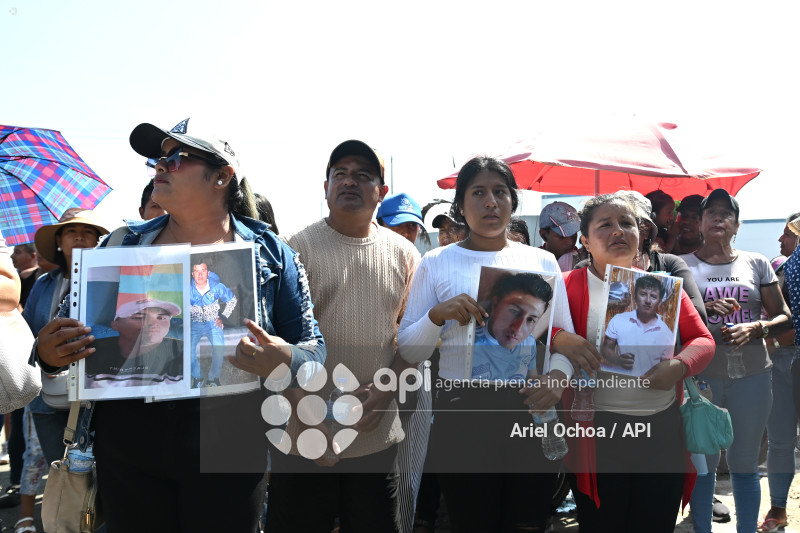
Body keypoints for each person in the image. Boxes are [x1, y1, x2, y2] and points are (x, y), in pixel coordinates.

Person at [34, 119, 326, 533]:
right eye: (158, 158)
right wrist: (50, 354)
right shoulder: (118, 244)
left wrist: (284, 358)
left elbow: (313, 353)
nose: (160, 166)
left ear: (222, 176)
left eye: (176, 158)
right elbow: (62, 343)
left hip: (230, 445)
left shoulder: (272, 255)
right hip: (129, 446)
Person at [397, 156, 593, 532]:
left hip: (530, 411)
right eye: (478, 193)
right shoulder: (435, 262)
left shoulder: (542, 261)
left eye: (500, 192)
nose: (491, 202)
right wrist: (435, 317)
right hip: (462, 416)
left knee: (528, 522)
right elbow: (408, 349)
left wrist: (556, 380)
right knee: (473, 521)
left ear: (512, 202)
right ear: (460, 205)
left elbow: (561, 339)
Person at [266, 140, 419, 532]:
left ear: (381, 192)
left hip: (374, 434)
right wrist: (306, 414)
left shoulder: (405, 255)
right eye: (341, 174)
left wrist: (386, 389)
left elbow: (412, 340)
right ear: (326, 186)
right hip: (301, 435)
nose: (350, 181)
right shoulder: (293, 249)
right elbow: (274, 346)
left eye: (363, 175)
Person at [561, 192, 714, 533]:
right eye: (605, 224)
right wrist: (560, 338)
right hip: (598, 435)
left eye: (626, 223)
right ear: (584, 241)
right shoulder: (566, 286)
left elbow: (703, 341)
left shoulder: (663, 289)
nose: (618, 231)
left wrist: (680, 366)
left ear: (641, 234)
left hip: (661, 432)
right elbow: (537, 334)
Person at [680, 189, 793, 533]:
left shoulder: (756, 263)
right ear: (700, 222)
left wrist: (757, 328)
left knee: (745, 463)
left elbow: (784, 317)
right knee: (704, 463)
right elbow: (670, 321)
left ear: (737, 225)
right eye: (711, 213)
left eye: (726, 213)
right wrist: (703, 310)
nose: (719, 218)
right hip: (702, 380)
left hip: (754, 377)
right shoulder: (682, 265)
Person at [15, 209, 107, 533]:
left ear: (99, 240)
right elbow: (26, 332)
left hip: (98, 398)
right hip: (47, 396)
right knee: (67, 476)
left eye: (88, 231)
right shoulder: (43, 284)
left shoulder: (111, 278)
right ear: (58, 241)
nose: (79, 236)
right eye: (70, 231)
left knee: (105, 480)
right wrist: (45, 353)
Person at [758, 212, 800, 532]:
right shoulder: (783, 268)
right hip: (780, 360)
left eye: (788, 233)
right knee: (780, 440)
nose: (781, 239)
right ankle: (778, 507)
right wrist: (773, 339)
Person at [85, 298, 183, 388]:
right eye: (139, 318)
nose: (153, 323)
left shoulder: (184, 352)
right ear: (115, 325)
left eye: (161, 318)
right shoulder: (91, 351)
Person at [473, 272, 552, 381]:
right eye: (514, 312)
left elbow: (532, 380)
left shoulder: (529, 342)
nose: (518, 329)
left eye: (530, 319)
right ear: (495, 305)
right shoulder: (470, 343)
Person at [600, 275, 675, 376]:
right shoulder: (619, 320)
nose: (648, 301)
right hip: (619, 381)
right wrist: (618, 360)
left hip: (648, 384)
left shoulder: (666, 334)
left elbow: (665, 369)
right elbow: (606, 348)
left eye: (653, 296)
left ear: (659, 301)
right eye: (643, 294)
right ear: (635, 297)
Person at [189, 262, 237, 388]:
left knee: (219, 348)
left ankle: (213, 379)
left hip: (213, 322)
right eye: (197, 271)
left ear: (208, 272)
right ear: (192, 274)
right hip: (195, 324)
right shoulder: (187, 290)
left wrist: (223, 317)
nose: (200, 275)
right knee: (188, 349)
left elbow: (232, 300)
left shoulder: (217, 287)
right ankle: (197, 377)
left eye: (203, 271)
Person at [539, 201, 580, 271]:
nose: (570, 242)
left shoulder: (585, 261)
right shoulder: (534, 262)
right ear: (544, 235)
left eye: (574, 234)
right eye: (562, 237)